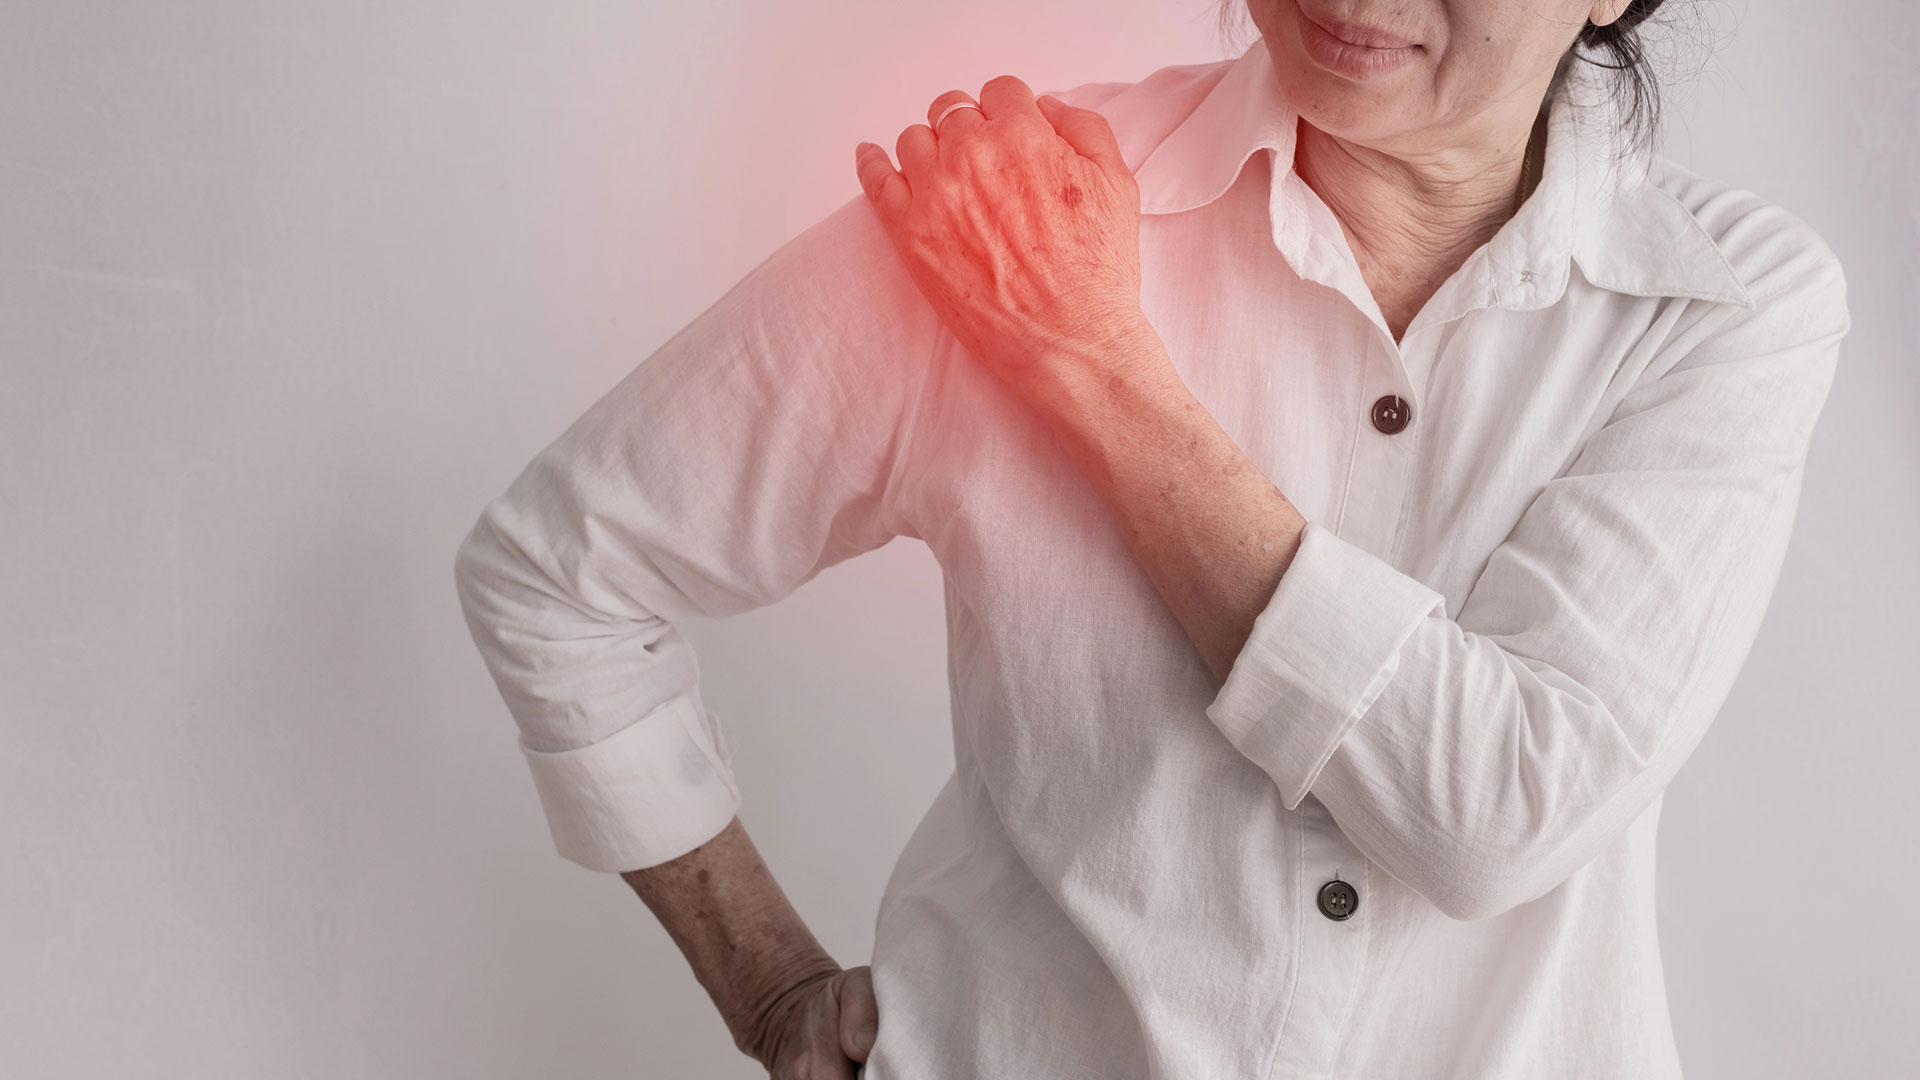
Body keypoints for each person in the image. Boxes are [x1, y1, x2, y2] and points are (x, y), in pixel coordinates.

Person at [453, 0, 1852, 1076]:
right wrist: (769, 989)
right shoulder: (1007, 207)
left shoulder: (1725, 307)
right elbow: (558, 566)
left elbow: (1495, 817)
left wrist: (1094, 365)